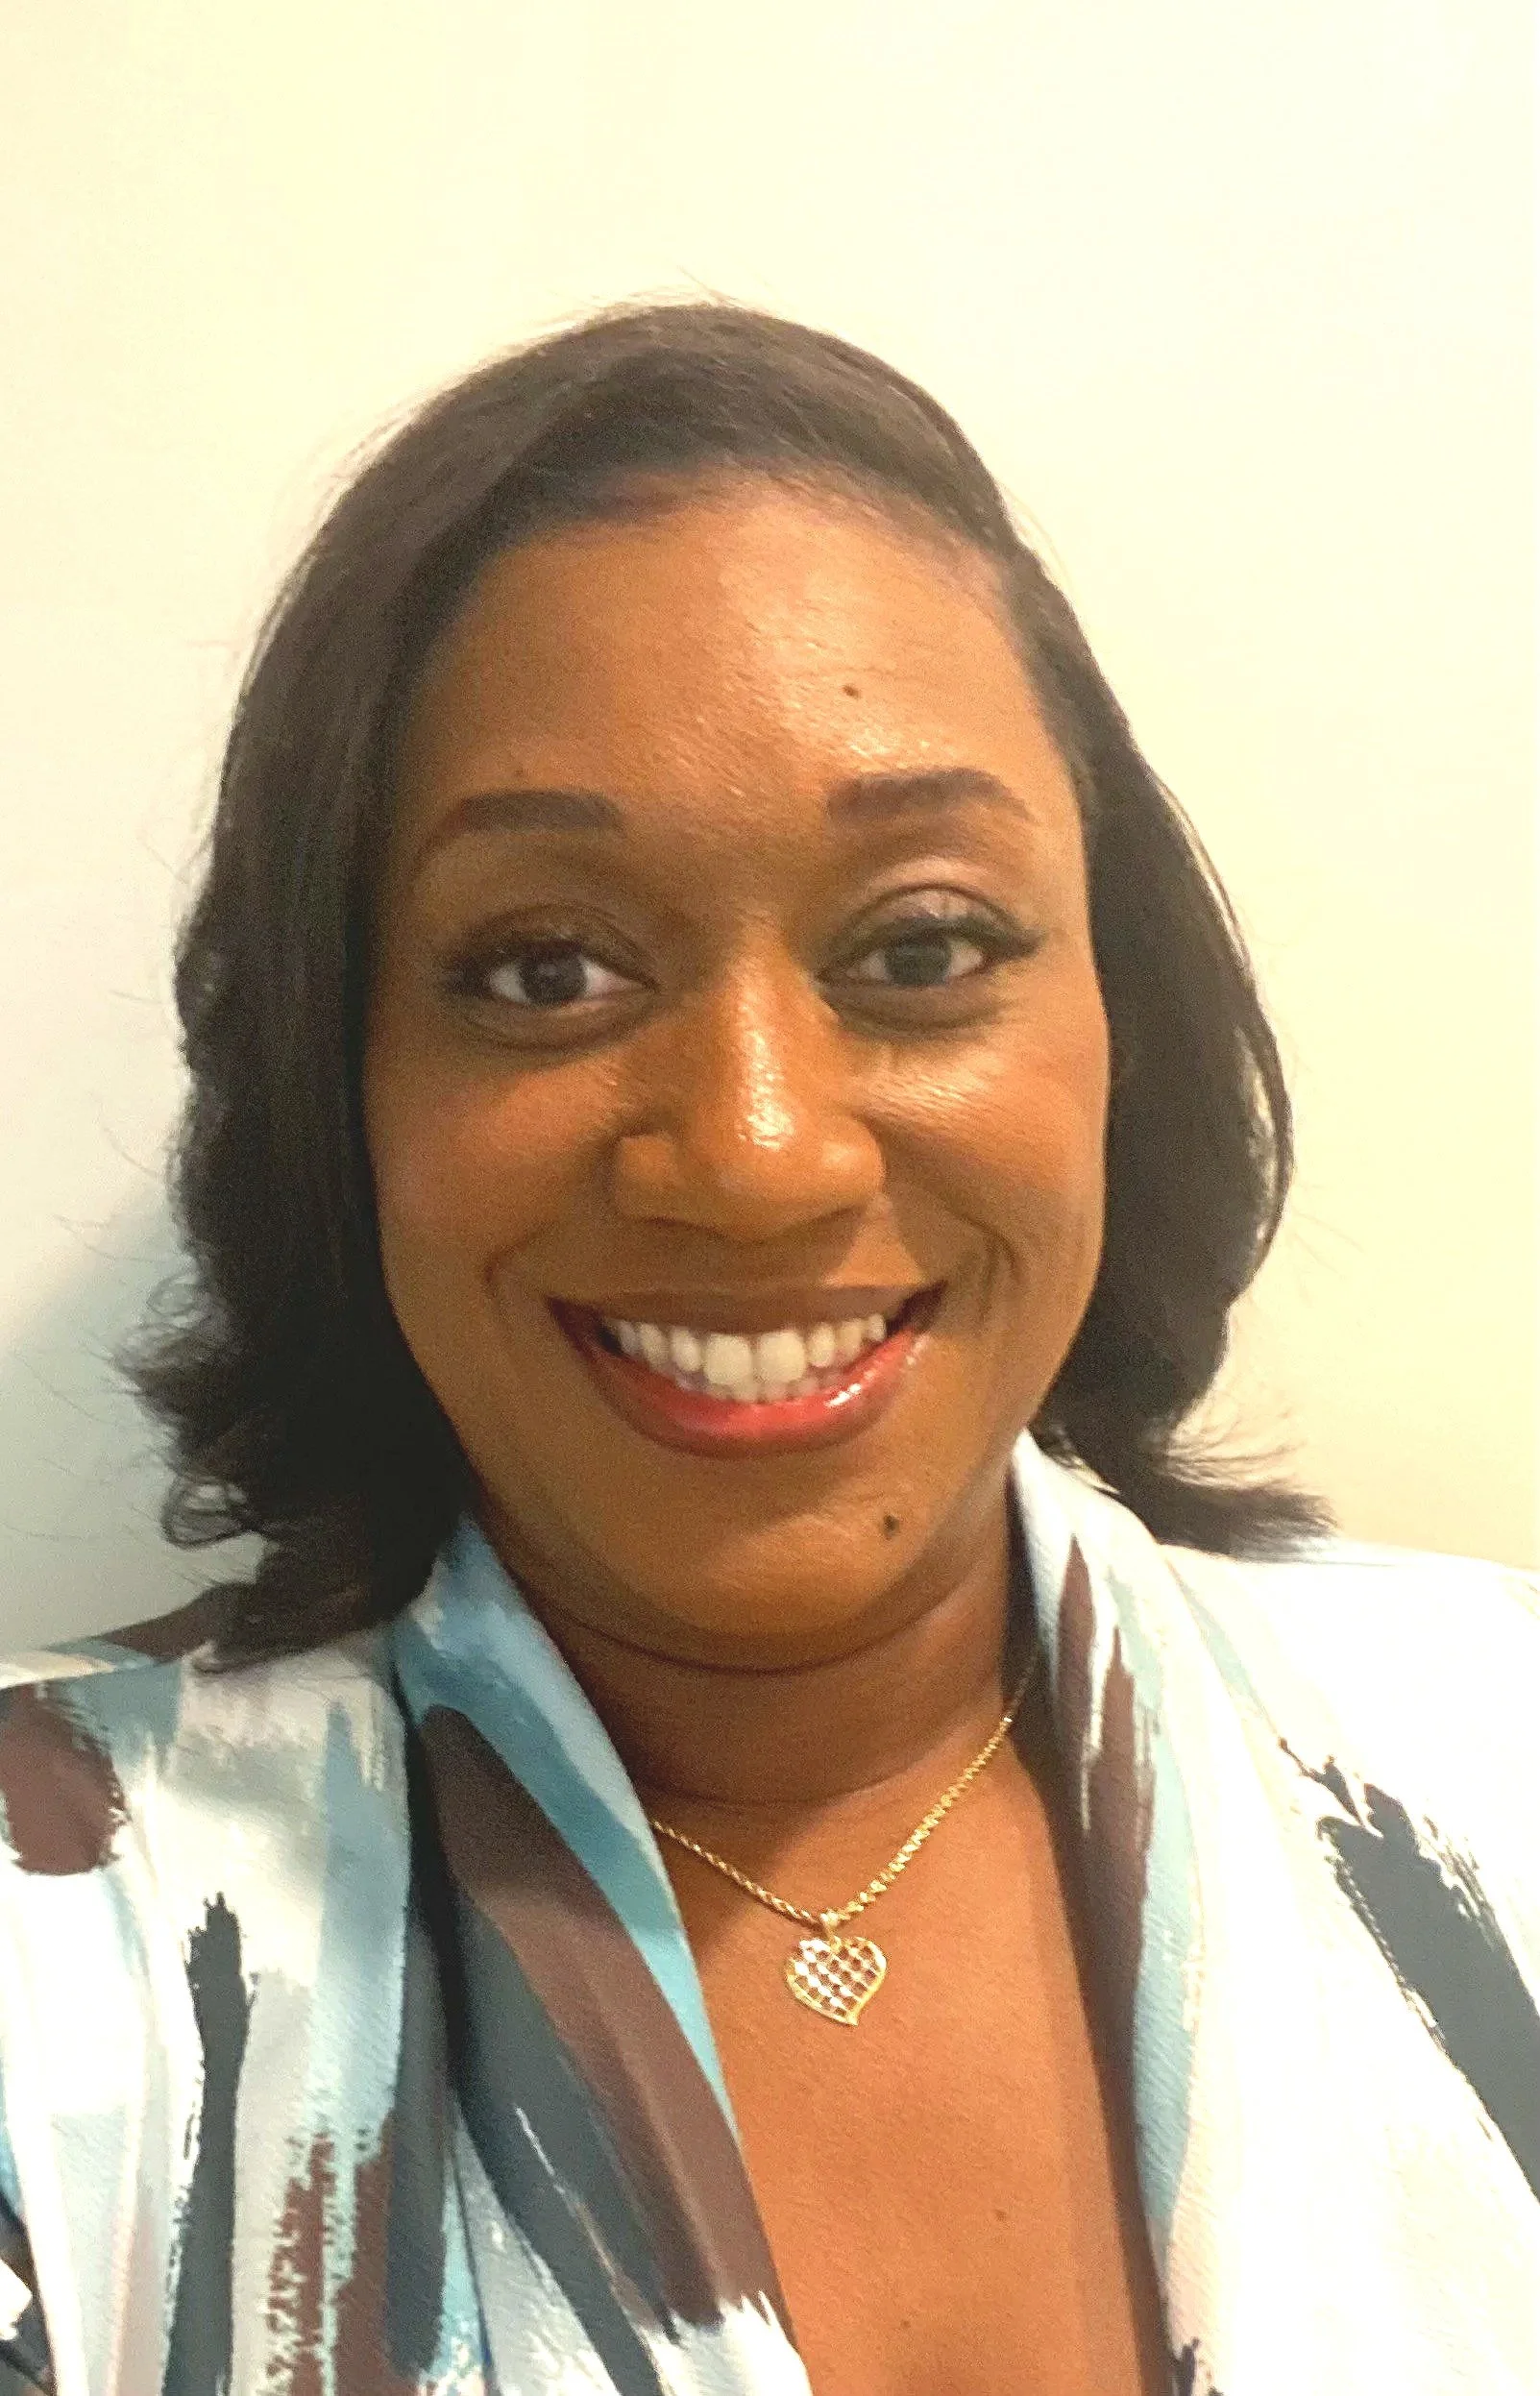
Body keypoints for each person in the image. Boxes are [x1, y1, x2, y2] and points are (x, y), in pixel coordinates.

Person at [0, 303, 1534, 2396]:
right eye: (543, 966)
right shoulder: (56, 1946)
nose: (754, 1149)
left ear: (1119, 1029)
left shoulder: (1504, 1764)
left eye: (918, 947)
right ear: (337, 1091)